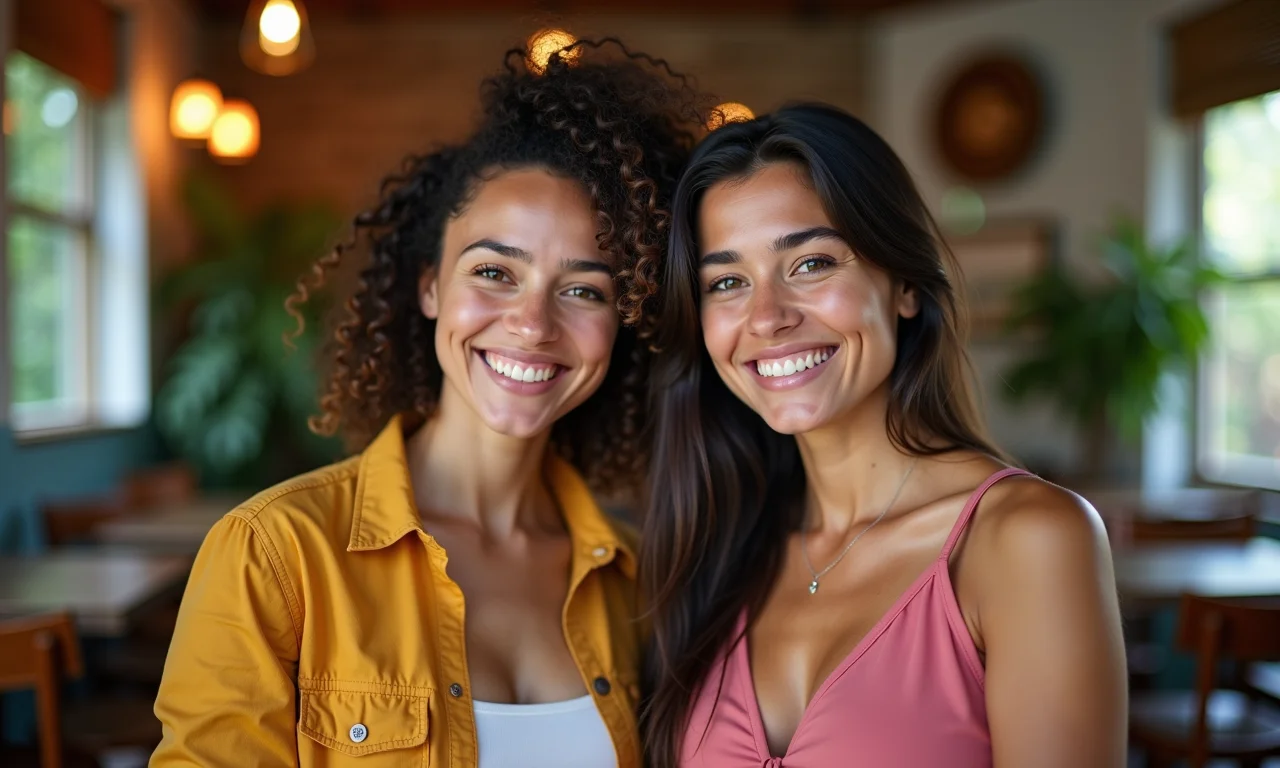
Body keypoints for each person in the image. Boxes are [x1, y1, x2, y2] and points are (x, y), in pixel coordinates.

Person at [151, 38, 700, 768]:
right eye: (495, 272)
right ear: (430, 286)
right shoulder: (277, 554)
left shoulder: (638, 579)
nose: (533, 325)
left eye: (584, 290)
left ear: (622, 321)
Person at [639, 103, 1127, 768]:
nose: (767, 316)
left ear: (903, 285)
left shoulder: (1027, 539)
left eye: (811, 263)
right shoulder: (719, 546)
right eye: (727, 282)